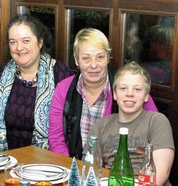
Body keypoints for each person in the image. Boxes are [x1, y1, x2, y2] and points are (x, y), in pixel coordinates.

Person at [48, 28, 158, 160]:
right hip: (73, 167)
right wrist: (73, 171)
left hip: (116, 169)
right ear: (77, 60)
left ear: (107, 58)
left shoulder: (127, 87)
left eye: (100, 57)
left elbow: (155, 132)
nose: (93, 65)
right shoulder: (64, 88)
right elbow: (56, 138)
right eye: (86, 58)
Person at [0, 14, 75, 151]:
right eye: (13, 42)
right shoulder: (1, 73)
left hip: (47, 163)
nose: (19, 48)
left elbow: (71, 127)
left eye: (26, 41)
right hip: (5, 160)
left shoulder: (61, 75)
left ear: (40, 42)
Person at [89, 62, 174, 186]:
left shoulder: (157, 122)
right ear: (115, 94)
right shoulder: (100, 126)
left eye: (137, 89)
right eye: (123, 88)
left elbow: (161, 174)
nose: (130, 93)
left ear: (146, 96)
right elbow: (91, 171)